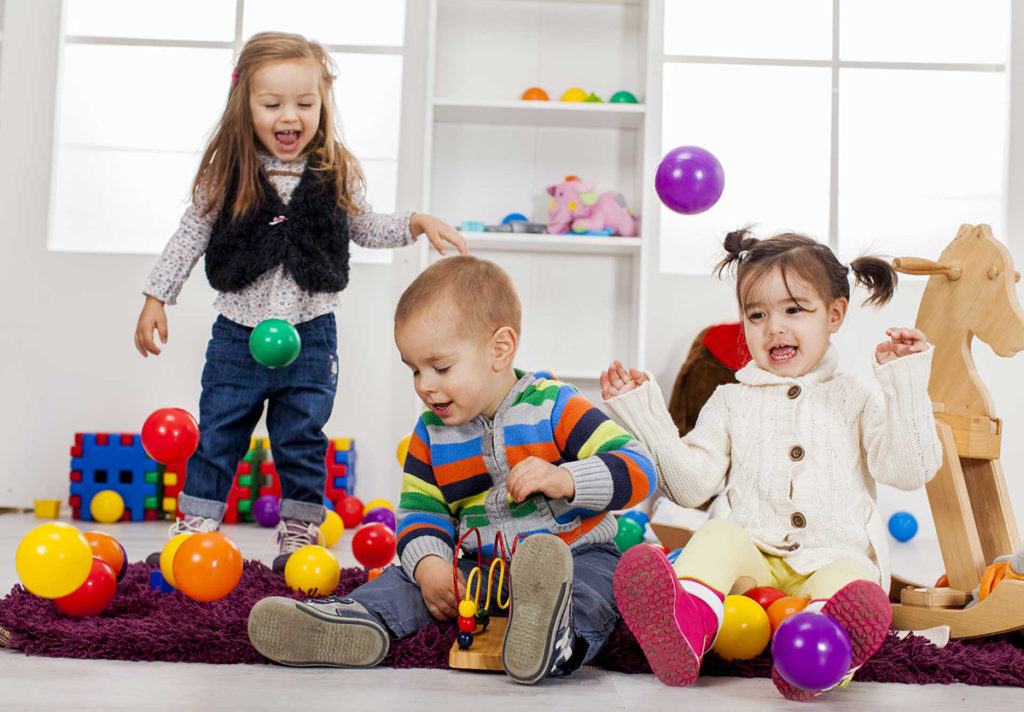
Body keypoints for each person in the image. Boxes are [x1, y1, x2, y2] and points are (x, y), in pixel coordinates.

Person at [134, 32, 466, 572]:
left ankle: (300, 527)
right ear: (245, 105)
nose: (290, 116)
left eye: (304, 103)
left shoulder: (334, 171)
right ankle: (197, 522)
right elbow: (190, 234)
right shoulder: (227, 172)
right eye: (273, 104)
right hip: (238, 334)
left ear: (322, 104)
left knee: (301, 437)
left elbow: (365, 225)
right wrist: (157, 296)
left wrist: (415, 224)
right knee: (218, 431)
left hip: (310, 336)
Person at [247, 255, 657, 684]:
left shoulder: (554, 405)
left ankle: (556, 637)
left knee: (595, 590)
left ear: (499, 349)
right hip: (482, 570)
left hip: (576, 555)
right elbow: (422, 513)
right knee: (406, 579)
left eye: (440, 367)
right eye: (415, 370)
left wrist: (567, 479)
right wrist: (430, 566)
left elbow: (637, 466)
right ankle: (358, 619)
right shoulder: (430, 434)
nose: (425, 384)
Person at [600, 229, 943, 701]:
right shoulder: (729, 400)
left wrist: (905, 382)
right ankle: (687, 625)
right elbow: (691, 486)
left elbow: (909, 470)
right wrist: (647, 415)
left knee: (854, 581)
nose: (773, 328)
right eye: (756, 315)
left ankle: (817, 658)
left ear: (835, 314)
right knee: (718, 534)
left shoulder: (858, 396)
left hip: (831, 559)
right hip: (753, 571)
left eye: (793, 310)